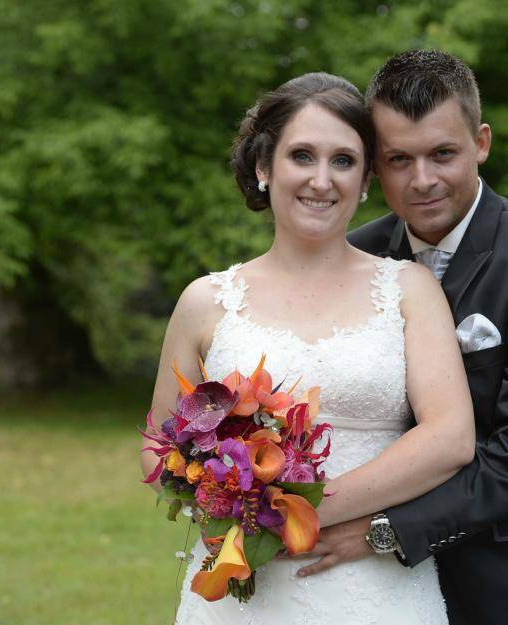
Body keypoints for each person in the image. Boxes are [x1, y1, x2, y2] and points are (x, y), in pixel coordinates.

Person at [139, 72, 476, 625]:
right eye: (302, 155)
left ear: (365, 179)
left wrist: (297, 511)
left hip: (376, 584)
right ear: (263, 166)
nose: (322, 180)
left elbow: (450, 438)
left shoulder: (410, 290)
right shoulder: (206, 301)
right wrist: (216, 492)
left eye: (343, 161)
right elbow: (158, 445)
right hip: (245, 584)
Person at [302, 50, 508, 625]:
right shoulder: (358, 257)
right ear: (375, 164)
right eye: (399, 159)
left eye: (443, 153)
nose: (423, 181)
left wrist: (383, 531)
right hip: (382, 591)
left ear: (482, 142)